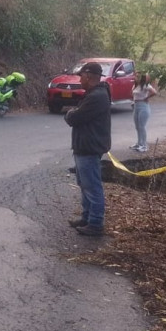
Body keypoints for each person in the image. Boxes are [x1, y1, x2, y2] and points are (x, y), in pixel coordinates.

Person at [64, 62, 111, 237]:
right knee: (84, 185)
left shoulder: (97, 96)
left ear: (89, 76)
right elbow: (77, 114)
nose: (79, 79)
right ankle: (87, 217)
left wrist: (71, 113)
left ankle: (96, 223)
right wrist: (74, 113)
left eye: (81, 76)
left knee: (92, 187)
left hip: (90, 148)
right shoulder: (94, 94)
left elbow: (75, 117)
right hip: (84, 147)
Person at [131, 73, 158, 152]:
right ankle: (139, 143)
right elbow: (133, 94)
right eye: (135, 76)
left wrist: (146, 97)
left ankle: (144, 145)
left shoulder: (145, 85)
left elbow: (154, 92)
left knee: (141, 126)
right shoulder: (135, 85)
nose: (135, 77)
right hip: (136, 106)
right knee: (137, 126)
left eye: (137, 76)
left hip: (143, 106)